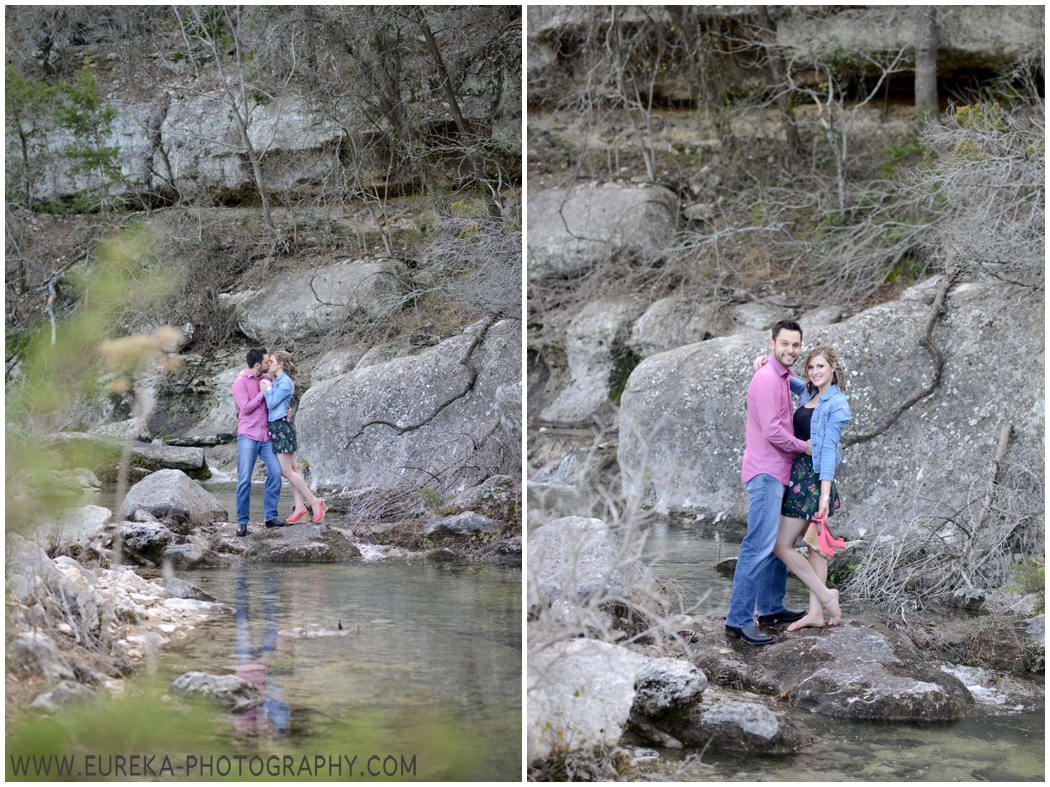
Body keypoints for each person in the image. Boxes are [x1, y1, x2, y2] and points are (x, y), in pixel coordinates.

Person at [725, 320, 813, 646]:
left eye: (795, 345)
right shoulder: (765, 379)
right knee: (758, 544)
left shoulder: (782, 376)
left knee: (775, 545)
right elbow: (773, 431)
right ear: (772, 343)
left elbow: (807, 388)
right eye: (784, 344)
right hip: (765, 473)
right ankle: (737, 621)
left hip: (780, 471)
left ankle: (771, 609)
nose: (790, 350)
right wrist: (805, 446)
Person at [771, 345, 850, 631]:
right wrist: (767, 363)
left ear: (833, 368)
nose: (815, 372)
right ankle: (816, 614)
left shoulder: (836, 404)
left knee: (781, 545)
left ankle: (826, 596)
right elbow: (784, 378)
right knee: (815, 547)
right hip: (799, 475)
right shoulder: (810, 393)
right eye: (811, 367)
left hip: (814, 480)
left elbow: (828, 450)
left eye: (821, 367)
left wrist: (825, 495)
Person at [258, 350, 326, 524]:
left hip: (282, 427)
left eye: (271, 361)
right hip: (277, 426)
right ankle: (299, 507)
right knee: (293, 470)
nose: (268, 364)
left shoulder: (285, 382)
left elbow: (272, 403)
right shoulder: (277, 381)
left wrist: (267, 390)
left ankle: (314, 502)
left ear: (280, 364)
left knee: (285, 471)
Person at [232, 348, 283, 535]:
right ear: (256, 365)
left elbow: (277, 400)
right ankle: (242, 521)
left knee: (276, 472)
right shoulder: (240, 382)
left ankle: (270, 517)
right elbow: (245, 408)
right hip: (248, 436)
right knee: (245, 478)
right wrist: (262, 393)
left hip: (266, 436)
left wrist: (286, 410)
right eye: (265, 361)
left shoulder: (268, 380)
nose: (268, 364)